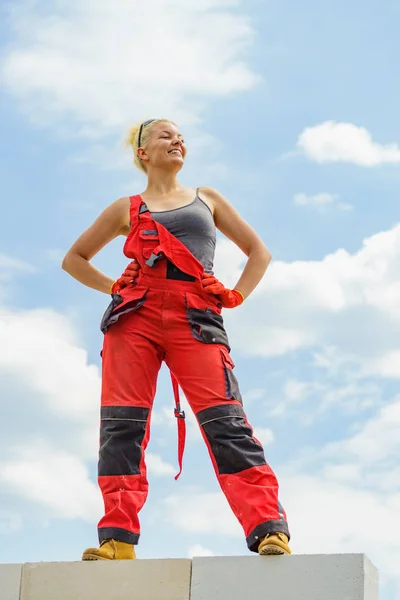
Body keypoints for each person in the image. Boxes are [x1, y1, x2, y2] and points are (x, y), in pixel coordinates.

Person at [62, 118, 291, 561]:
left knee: (227, 422)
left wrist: (237, 293)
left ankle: (268, 529)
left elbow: (259, 252)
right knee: (121, 426)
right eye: (165, 135)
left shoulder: (208, 198)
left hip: (196, 316)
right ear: (143, 153)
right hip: (135, 317)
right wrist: (114, 286)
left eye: (181, 136)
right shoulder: (124, 208)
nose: (177, 140)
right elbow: (74, 259)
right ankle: (117, 539)